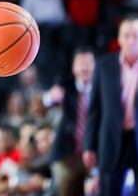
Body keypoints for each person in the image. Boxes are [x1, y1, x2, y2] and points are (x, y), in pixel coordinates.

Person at [84, 15, 138, 195]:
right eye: (126, 35)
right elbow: (94, 110)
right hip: (111, 139)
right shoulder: (104, 66)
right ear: (119, 39)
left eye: (136, 35)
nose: (131, 40)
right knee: (109, 191)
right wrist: (89, 145)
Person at [48, 47, 95, 196]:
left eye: (88, 63)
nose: (84, 67)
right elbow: (46, 102)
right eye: (80, 63)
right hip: (66, 154)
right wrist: (50, 97)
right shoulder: (64, 85)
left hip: (94, 154)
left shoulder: (103, 88)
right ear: (73, 67)